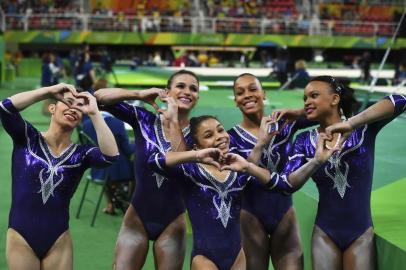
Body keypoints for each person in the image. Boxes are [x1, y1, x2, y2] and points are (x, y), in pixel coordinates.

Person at [257, 75, 406, 270]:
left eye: (314, 95)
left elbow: (400, 101)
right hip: (325, 233)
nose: (307, 101)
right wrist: (316, 161)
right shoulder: (304, 140)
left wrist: (352, 123)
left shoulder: (362, 129)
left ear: (335, 99)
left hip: (360, 232)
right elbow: (287, 184)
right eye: (305, 99)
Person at [0, 83, 119, 270]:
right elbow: (6, 107)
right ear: (52, 108)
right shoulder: (28, 139)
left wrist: (95, 113)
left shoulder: (81, 154)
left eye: (79, 106)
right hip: (21, 236)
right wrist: (47, 91)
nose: (73, 107)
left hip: (59, 239)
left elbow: (111, 156)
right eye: (67, 101)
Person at [95, 70, 200, 270]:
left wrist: (175, 120)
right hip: (137, 217)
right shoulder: (144, 120)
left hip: (173, 221)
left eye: (193, 88)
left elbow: (180, 166)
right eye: (180, 86)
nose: (187, 91)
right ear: (167, 91)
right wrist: (138, 95)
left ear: (197, 97)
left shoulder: (200, 133)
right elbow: (99, 97)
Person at [148, 115, 276, 270]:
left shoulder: (237, 168)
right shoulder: (190, 172)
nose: (219, 137)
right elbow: (153, 161)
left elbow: (261, 175)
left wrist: (260, 143)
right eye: (208, 135)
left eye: (220, 130)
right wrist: (194, 156)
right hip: (204, 259)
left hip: (237, 256)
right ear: (197, 145)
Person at [228, 73, 313, 270]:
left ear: (263, 93)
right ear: (235, 101)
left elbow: (331, 113)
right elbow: (239, 182)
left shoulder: (284, 124)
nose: (247, 95)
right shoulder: (229, 138)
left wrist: (296, 111)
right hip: (250, 217)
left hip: (284, 214)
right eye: (240, 93)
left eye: (253, 89)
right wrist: (260, 144)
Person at [82, 79, 134, 215]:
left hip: (96, 169)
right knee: (136, 166)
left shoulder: (86, 124)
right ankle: (130, 205)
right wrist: (138, 143)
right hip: (115, 170)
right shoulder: (117, 123)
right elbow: (128, 150)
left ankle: (110, 204)